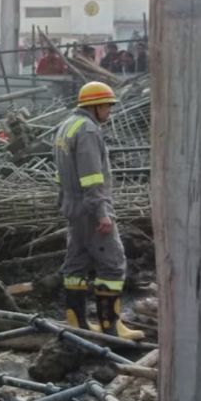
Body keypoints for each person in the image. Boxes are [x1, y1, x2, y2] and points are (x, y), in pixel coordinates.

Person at [54, 82, 144, 340]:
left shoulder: (66, 126)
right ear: (95, 106)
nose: (110, 111)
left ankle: (76, 321)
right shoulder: (89, 131)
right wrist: (102, 212)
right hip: (90, 210)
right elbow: (92, 177)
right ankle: (111, 326)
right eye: (107, 106)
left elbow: (61, 175)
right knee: (113, 264)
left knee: (76, 264)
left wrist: (65, 203)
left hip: (73, 208)